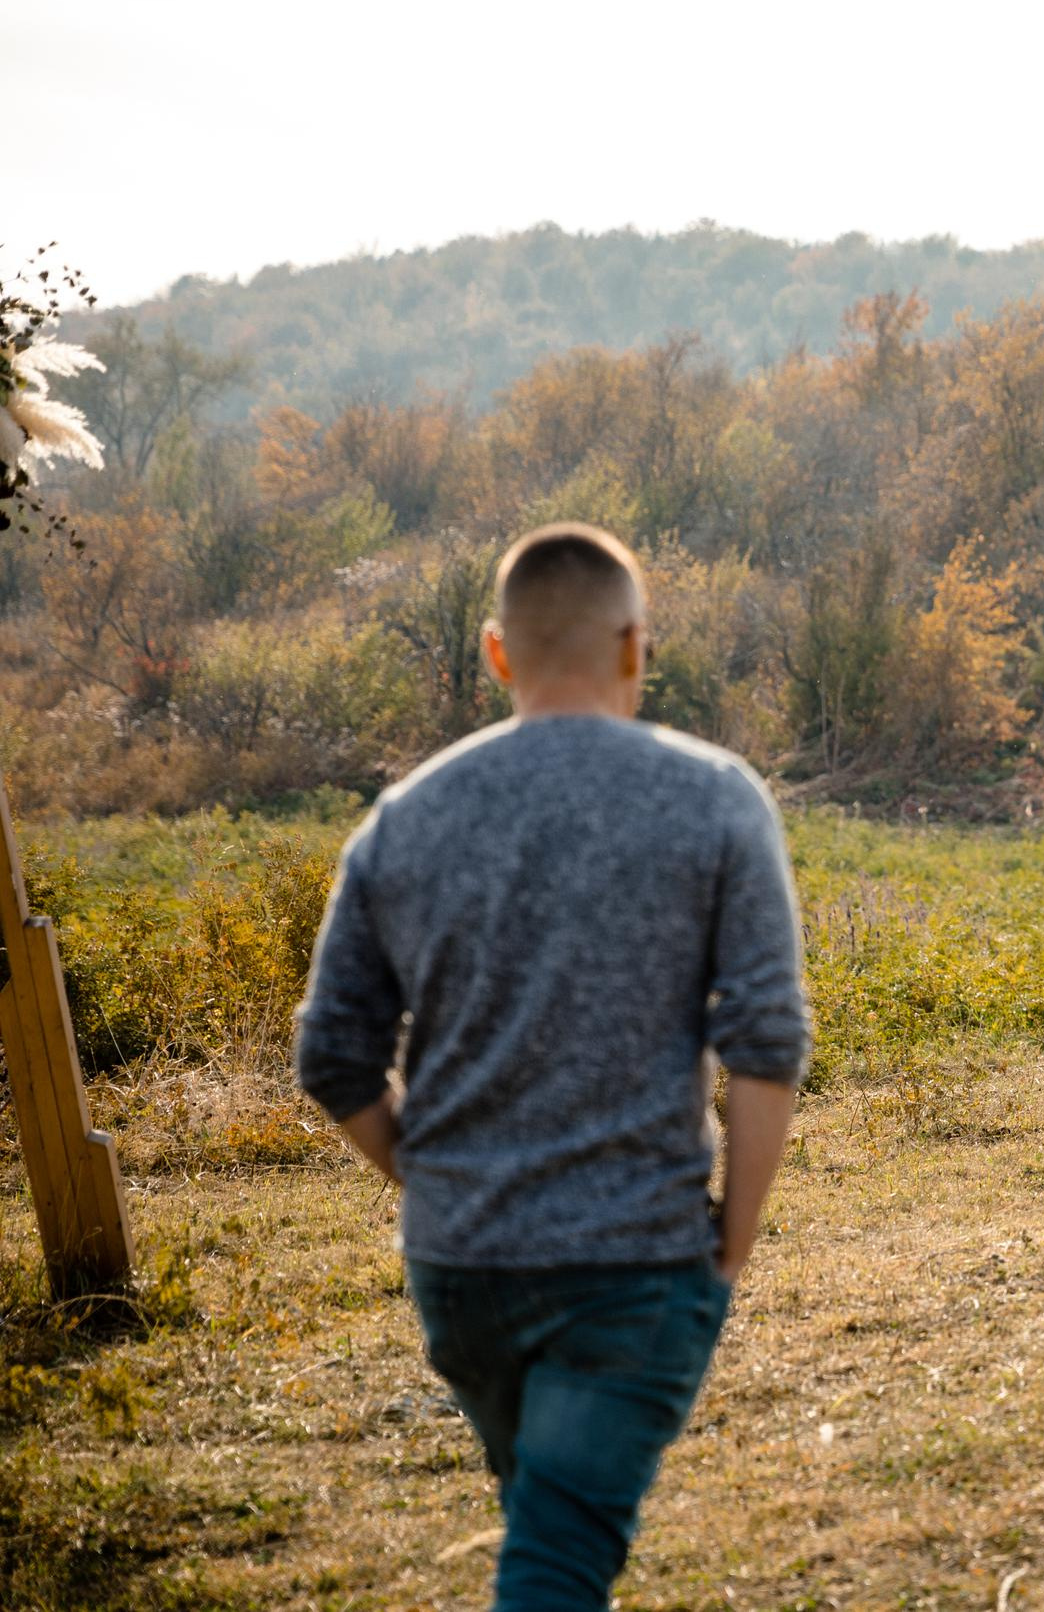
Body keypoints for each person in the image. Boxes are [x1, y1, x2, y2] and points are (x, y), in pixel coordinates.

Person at [293, 523, 809, 1612]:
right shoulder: (716, 798)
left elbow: (333, 1055)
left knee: (551, 1528)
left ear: (494, 654)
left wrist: (441, 1186)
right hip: (638, 1263)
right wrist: (731, 1250)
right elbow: (766, 1042)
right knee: (558, 1557)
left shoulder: (403, 819)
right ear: (636, 647)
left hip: (462, 1270)